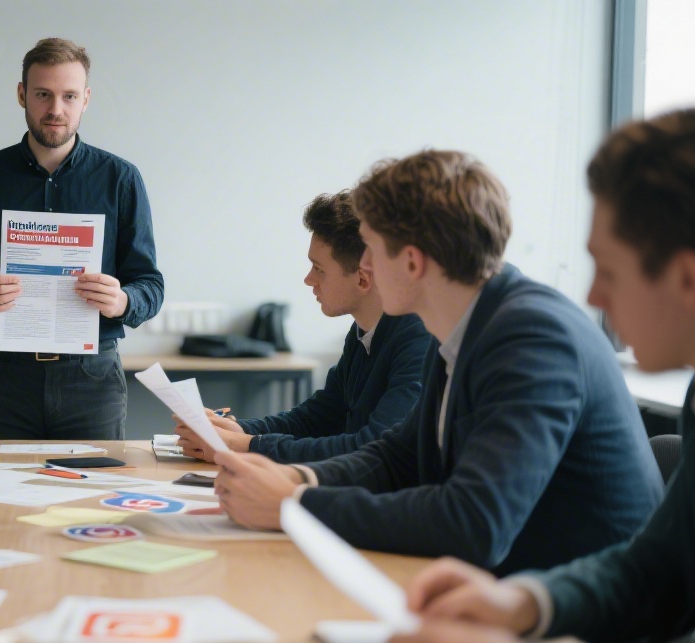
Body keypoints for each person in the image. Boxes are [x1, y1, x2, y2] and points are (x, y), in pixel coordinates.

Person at [387, 102, 695, 643]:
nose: (592, 295)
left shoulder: (533, 329)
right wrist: (529, 603)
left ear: (689, 281)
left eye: (608, 269)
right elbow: (664, 568)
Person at [211, 150, 663, 575]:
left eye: (369, 247)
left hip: (585, 621)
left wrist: (294, 503)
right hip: (503, 588)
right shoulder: (464, 325)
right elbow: (398, 457)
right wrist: (295, 476)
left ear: (410, 262)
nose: (363, 265)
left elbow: (475, 523)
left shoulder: (533, 338)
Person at [0, 37, 164, 440]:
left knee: (89, 500)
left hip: (91, 380)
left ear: (86, 99)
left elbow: (151, 286)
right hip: (4, 379)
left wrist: (123, 300)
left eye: (69, 96)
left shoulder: (120, 179)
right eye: (43, 94)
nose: (56, 109)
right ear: (22, 94)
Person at [174, 190, 430, 463]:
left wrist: (248, 445)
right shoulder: (363, 332)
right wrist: (241, 430)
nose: (308, 280)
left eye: (319, 268)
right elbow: (319, 417)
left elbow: (373, 448)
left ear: (363, 280)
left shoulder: (420, 339)